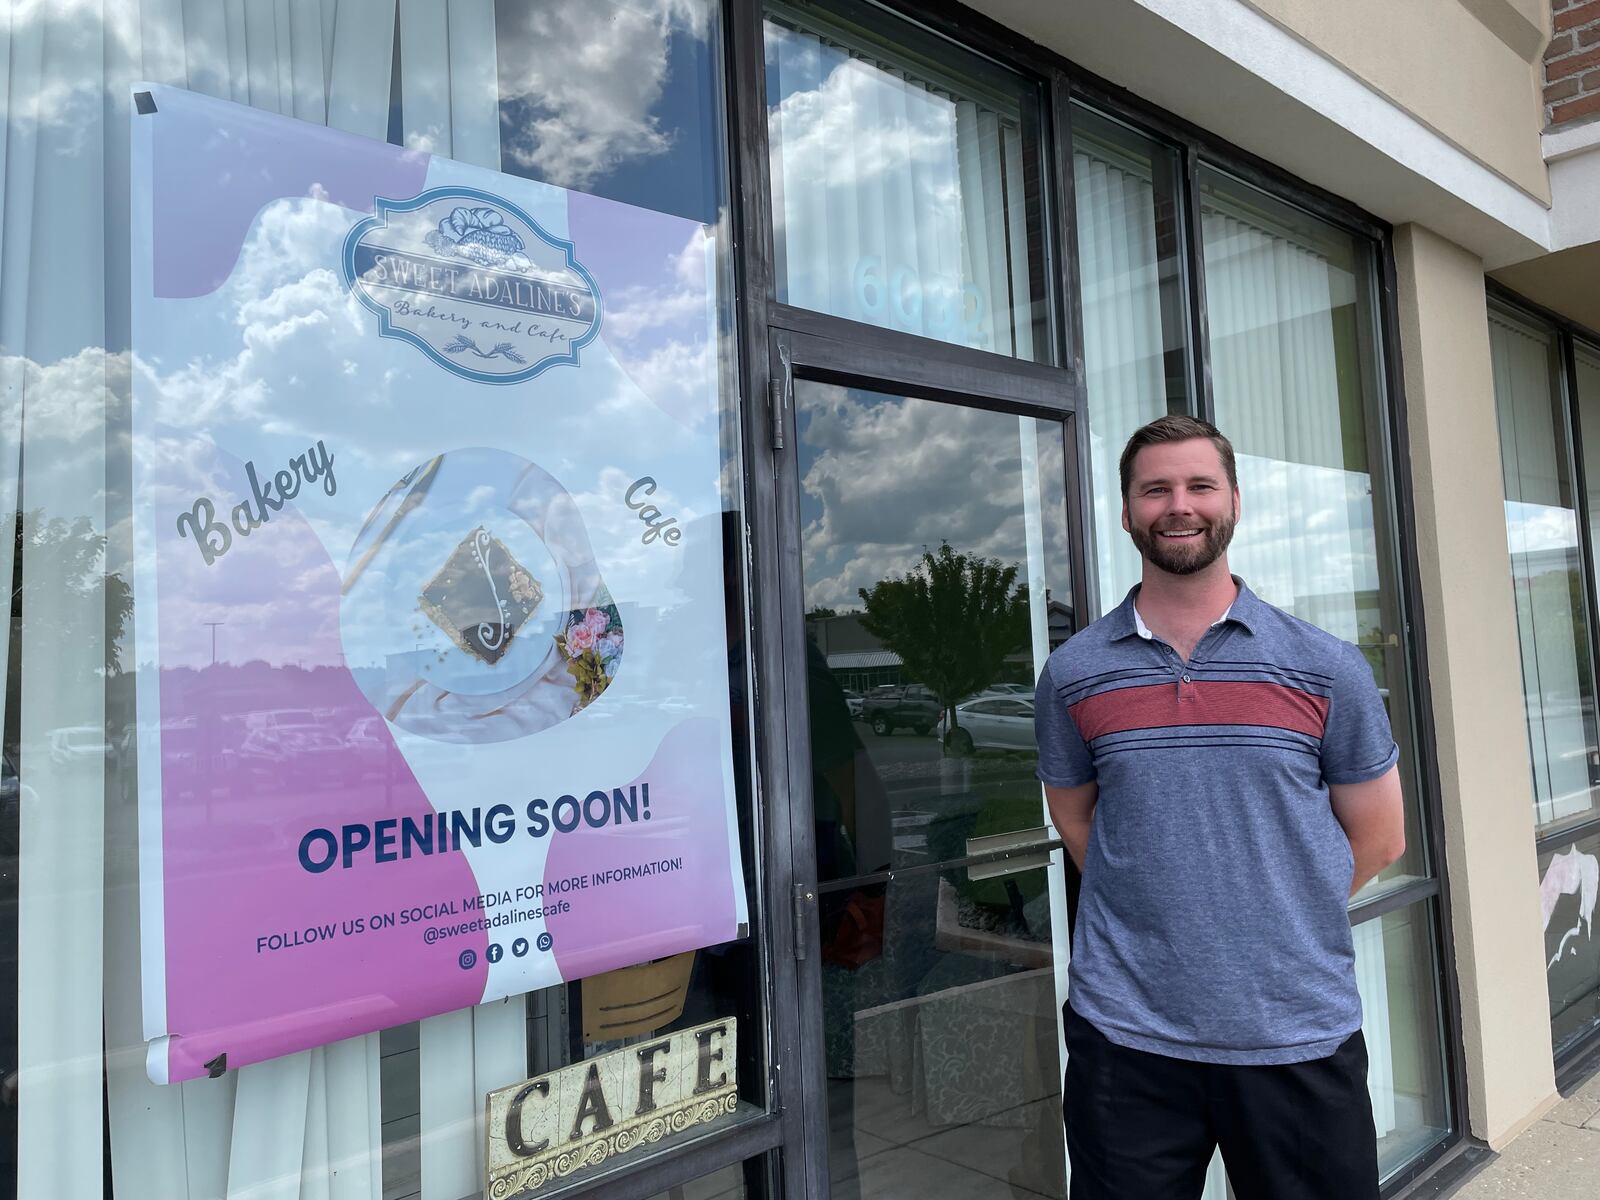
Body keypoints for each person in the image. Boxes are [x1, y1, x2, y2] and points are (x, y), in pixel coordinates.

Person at [1034, 415, 1405, 1199]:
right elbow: (1076, 820)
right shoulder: (1073, 673)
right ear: (1126, 511)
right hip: (1125, 1039)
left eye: (1200, 485)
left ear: (1234, 501)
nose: (1179, 505)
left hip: (1295, 1035)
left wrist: (1273, 911)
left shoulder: (1325, 668)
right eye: (1155, 489)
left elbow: (1380, 837)